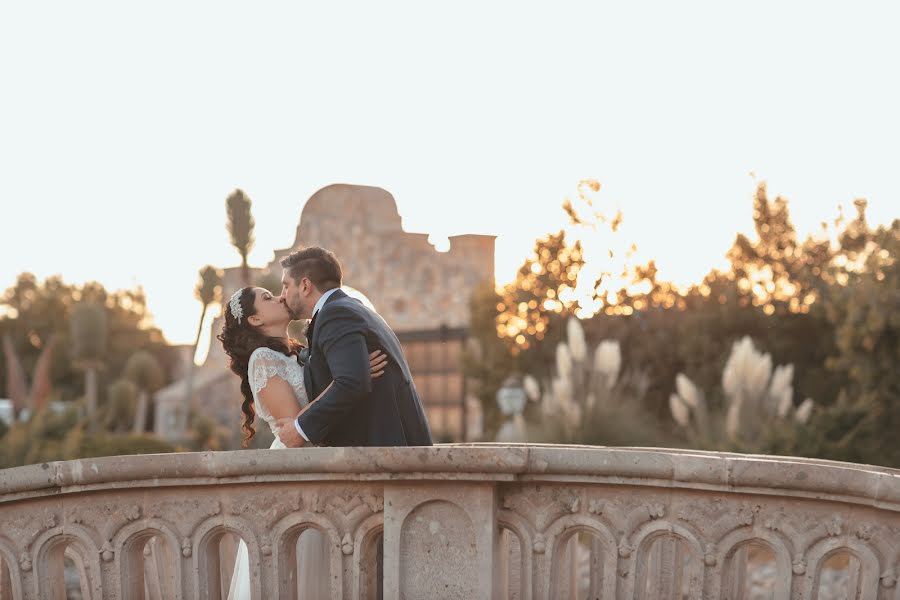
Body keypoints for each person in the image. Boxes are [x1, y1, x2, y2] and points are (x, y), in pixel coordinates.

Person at [217, 285, 388, 599]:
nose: (279, 297)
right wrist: (350, 381)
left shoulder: (297, 352)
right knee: (302, 571)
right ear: (255, 320)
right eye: (267, 298)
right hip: (296, 470)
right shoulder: (262, 360)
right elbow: (296, 428)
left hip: (323, 465)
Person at [273, 246, 433, 448]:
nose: (282, 295)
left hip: (384, 452)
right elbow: (348, 375)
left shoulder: (336, 314)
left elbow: (352, 381)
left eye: (286, 286)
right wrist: (357, 369)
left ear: (305, 285)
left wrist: (300, 428)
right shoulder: (352, 308)